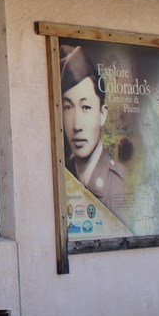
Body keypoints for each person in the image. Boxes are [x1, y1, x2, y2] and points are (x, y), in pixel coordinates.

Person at [59, 44, 128, 205]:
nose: (77, 125)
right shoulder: (63, 173)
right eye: (68, 107)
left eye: (86, 107)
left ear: (102, 114)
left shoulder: (123, 183)